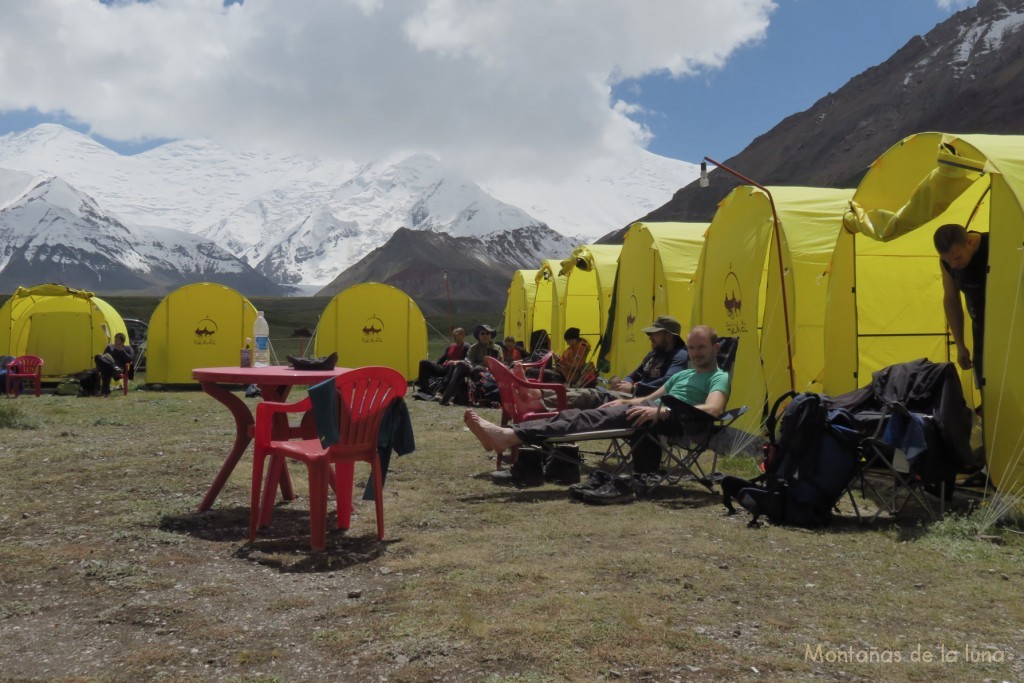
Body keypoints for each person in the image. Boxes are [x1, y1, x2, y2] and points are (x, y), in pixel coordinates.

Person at [465, 325, 729, 474]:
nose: (694, 353)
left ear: (715, 349)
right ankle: (512, 432)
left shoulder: (718, 377)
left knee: (586, 416)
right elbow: (649, 397)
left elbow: (713, 409)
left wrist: (660, 414)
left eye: (701, 348)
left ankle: (510, 435)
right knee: (578, 413)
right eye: (692, 347)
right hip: (647, 411)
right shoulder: (683, 376)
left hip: (675, 420)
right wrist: (624, 402)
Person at [934, 223, 988, 386]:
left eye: (957, 257)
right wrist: (960, 344)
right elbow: (951, 300)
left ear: (970, 242)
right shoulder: (948, 262)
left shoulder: (997, 244)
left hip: (1014, 327)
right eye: (947, 260)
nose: (953, 265)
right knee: (987, 383)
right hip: (982, 331)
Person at [437, 323, 502, 405]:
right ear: (479, 335)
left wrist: (483, 367)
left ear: (491, 335)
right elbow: (468, 361)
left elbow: (499, 363)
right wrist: (460, 362)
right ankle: (446, 397)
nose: (485, 335)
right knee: (460, 367)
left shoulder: (497, 348)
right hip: (474, 371)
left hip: (490, 374)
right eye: (482, 333)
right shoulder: (473, 348)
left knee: (477, 368)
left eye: (487, 333)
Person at [414, 328, 470, 395]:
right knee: (423, 362)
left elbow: (467, 361)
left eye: (457, 334)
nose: (454, 336)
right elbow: (441, 360)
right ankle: (424, 388)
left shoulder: (466, 346)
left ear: (463, 335)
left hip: (454, 369)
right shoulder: (451, 346)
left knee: (451, 365)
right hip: (444, 368)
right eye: (453, 334)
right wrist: (433, 364)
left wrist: (455, 362)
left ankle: (442, 390)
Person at [94, 332, 135, 396]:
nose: (115, 342)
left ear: (122, 341)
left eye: (117, 340)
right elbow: (104, 357)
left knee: (105, 370)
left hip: (120, 368)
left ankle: (105, 391)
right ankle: (114, 368)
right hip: (112, 368)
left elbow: (130, 359)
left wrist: (122, 351)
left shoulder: (128, 348)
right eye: (115, 340)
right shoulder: (110, 347)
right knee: (97, 357)